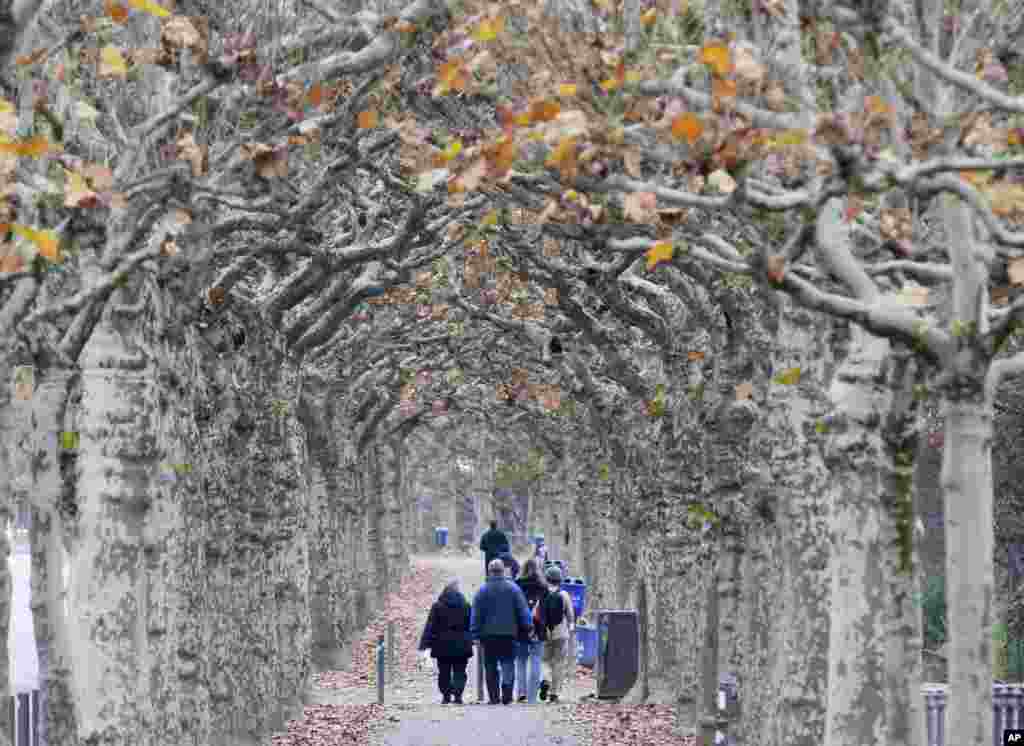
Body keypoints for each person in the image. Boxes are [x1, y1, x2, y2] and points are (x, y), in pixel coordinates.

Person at [471, 558, 532, 705]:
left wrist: (474, 633)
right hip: (509, 634)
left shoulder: (482, 590)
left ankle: (493, 697)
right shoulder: (513, 589)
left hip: (488, 635)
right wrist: (528, 626)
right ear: (503, 571)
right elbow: (523, 610)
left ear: (490, 572)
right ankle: (507, 696)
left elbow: (476, 614)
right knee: (508, 664)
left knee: (490, 665)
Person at [418, 578, 473, 705]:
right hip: (461, 644)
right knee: (460, 671)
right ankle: (458, 695)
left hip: (442, 644)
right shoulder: (466, 606)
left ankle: (446, 695)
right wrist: (473, 639)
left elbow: (430, 626)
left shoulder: (437, 606)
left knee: (444, 672)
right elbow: (470, 625)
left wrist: (424, 644)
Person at [539, 564, 575, 704]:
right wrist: (571, 629)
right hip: (561, 633)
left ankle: (545, 680)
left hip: (546, 632)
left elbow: (537, 614)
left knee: (545, 660)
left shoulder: (542, 594)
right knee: (559, 663)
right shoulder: (564, 595)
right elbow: (570, 615)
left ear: (546, 579)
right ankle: (554, 693)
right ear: (560, 580)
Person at [514, 558, 548, 704]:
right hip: (538, 628)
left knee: (521, 661)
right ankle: (533, 696)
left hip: (521, 628)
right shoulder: (543, 587)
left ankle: (521, 692)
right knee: (536, 660)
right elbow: (546, 610)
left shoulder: (517, 586)